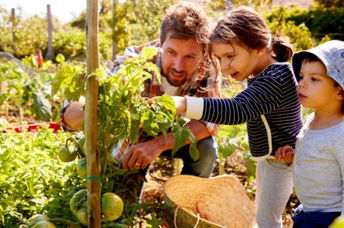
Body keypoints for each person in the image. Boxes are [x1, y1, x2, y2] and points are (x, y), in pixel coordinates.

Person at [168, 6, 303, 228]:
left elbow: (236, 109)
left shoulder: (275, 78)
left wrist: (184, 104)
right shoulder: (264, 73)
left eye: (230, 56)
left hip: (283, 159)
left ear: (258, 47)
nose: (224, 66)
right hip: (273, 157)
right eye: (219, 59)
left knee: (267, 218)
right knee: (263, 214)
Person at [60, 2, 220, 178]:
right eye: (171, 52)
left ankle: (183, 202)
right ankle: (132, 184)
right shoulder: (135, 63)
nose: (178, 66)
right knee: (125, 193)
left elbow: (210, 121)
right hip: (134, 135)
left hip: (171, 131)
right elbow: (87, 111)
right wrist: (86, 110)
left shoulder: (207, 65)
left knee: (206, 149)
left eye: (190, 56)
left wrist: (158, 144)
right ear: (160, 43)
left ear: (203, 51)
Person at [275, 40, 344, 228]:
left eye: (314, 79)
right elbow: (320, 159)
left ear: (340, 92)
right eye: (301, 76)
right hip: (307, 211)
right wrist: (294, 156)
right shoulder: (312, 120)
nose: (302, 84)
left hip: (329, 218)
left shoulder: (340, 133)